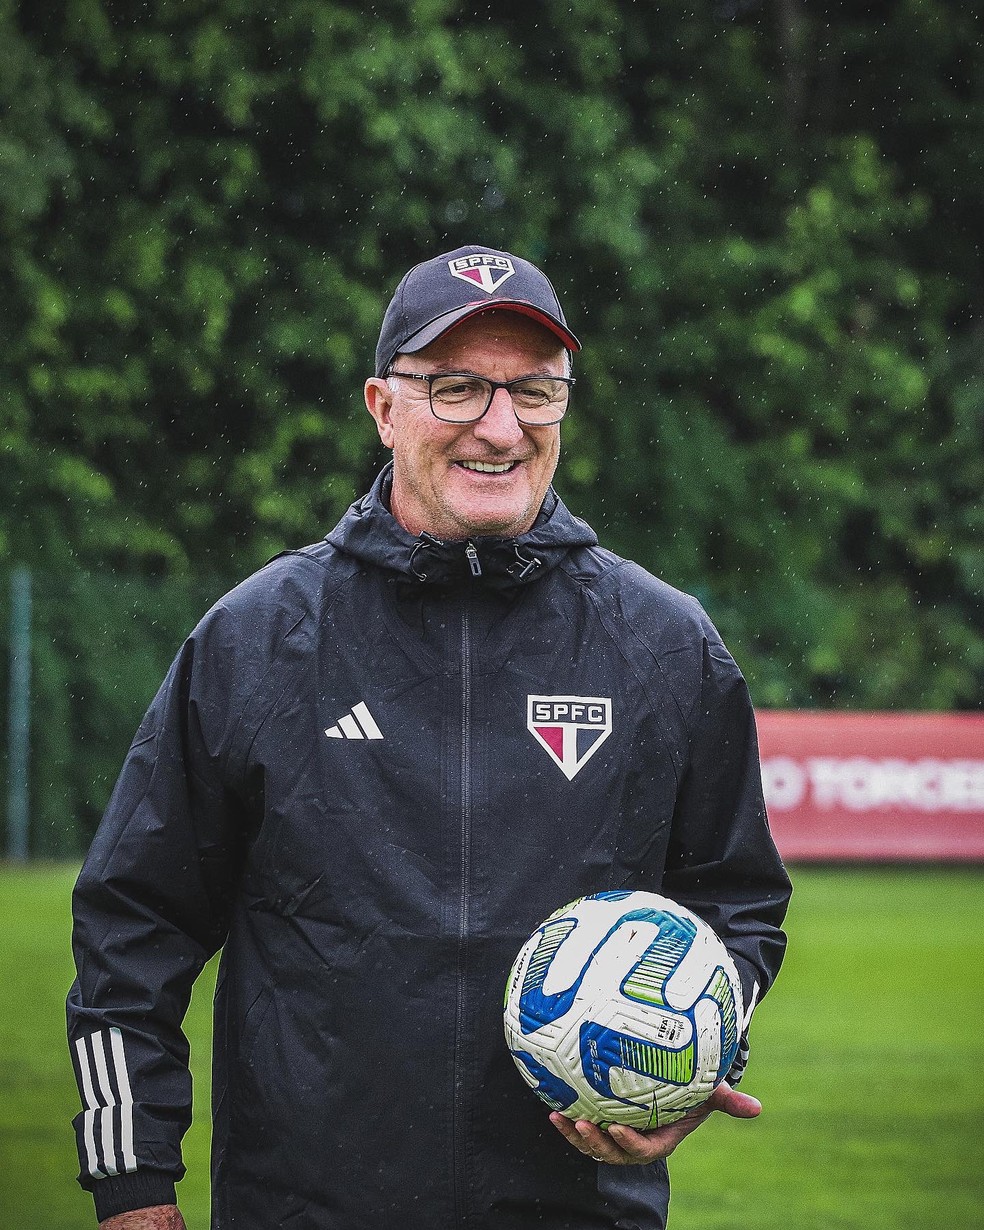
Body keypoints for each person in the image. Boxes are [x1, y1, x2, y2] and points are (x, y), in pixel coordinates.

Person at [68, 244, 791, 1230]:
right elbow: (133, 925)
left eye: (535, 391)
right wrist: (133, 1185)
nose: (501, 426)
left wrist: (702, 1055)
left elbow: (738, 905)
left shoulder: (664, 646)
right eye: (456, 388)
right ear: (383, 407)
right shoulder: (259, 639)